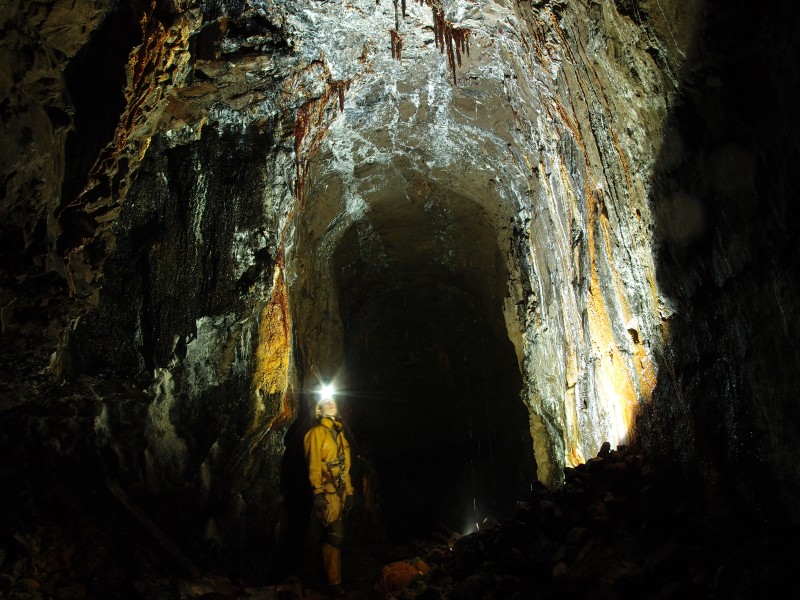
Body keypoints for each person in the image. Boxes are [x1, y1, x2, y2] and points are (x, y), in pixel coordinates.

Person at [303, 389, 355, 597]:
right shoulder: (316, 433)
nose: (331, 403)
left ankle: (329, 579)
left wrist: (349, 492)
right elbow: (314, 463)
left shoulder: (340, 433)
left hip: (340, 491)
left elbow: (344, 466)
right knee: (335, 534)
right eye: (325, 401)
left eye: (333, 400)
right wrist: (317, 491)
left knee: (335, 535)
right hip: (326, 490)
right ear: (319, 409)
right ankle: (333, 584)